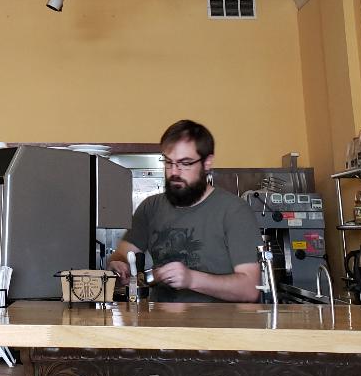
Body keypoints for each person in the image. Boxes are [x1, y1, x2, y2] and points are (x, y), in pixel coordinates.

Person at [109, 119, 261, 303]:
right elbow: (123, 255)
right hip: (161, 328)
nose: (174, 172)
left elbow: (250, 289)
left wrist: (192, 279)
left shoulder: (234, 211)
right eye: (168, 162)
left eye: (185, 163)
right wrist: (118, 265)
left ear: (207, 163)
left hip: (218, 330)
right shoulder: (151, 208)